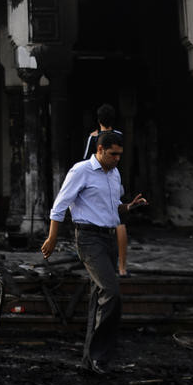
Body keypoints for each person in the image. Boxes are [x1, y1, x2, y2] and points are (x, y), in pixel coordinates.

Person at [41, 131, 147, 374]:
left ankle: (90, 361)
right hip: (88, 239)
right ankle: (100, 356)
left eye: (120, 154)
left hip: (108, 237)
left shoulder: (114, 173)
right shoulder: (81, 171)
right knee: (111, 292)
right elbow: (59, 206)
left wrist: (129, 206)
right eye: (113, 154)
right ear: (99, 150)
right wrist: (52, 238)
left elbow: (111, 208)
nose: (117, 159)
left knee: (98, 297)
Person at [83, 104, 128, 277]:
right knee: (120, 222)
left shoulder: (94, 138)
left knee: (97, 223)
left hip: (100, 184)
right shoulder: (119, 136)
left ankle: (99, 263)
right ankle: (122, 267)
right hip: (117, 180)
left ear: (99, 120)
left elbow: (87, 162)